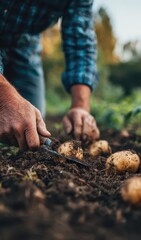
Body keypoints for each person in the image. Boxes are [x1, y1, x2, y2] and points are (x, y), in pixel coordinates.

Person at [0, 0, 100, 150]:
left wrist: (80, 106)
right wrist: (4, 100)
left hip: (25, 40)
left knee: (31, 131)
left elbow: (80, 39)